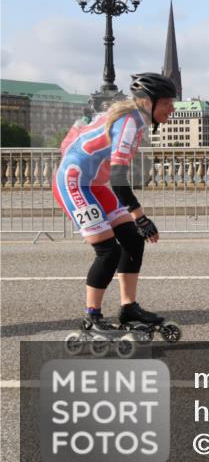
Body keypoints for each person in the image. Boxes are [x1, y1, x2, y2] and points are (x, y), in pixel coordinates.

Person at [53, 73, 177, 335]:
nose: (173, 109)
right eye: (167, 103)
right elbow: (119, 177)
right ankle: (92, 317)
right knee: (108, 251)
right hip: (74, 182)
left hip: (95, 184)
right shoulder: (129, 123)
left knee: (132, 240)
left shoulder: (137, 119)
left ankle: (129, 308)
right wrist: (140, 217)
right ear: (148, 102)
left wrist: (137, 223)